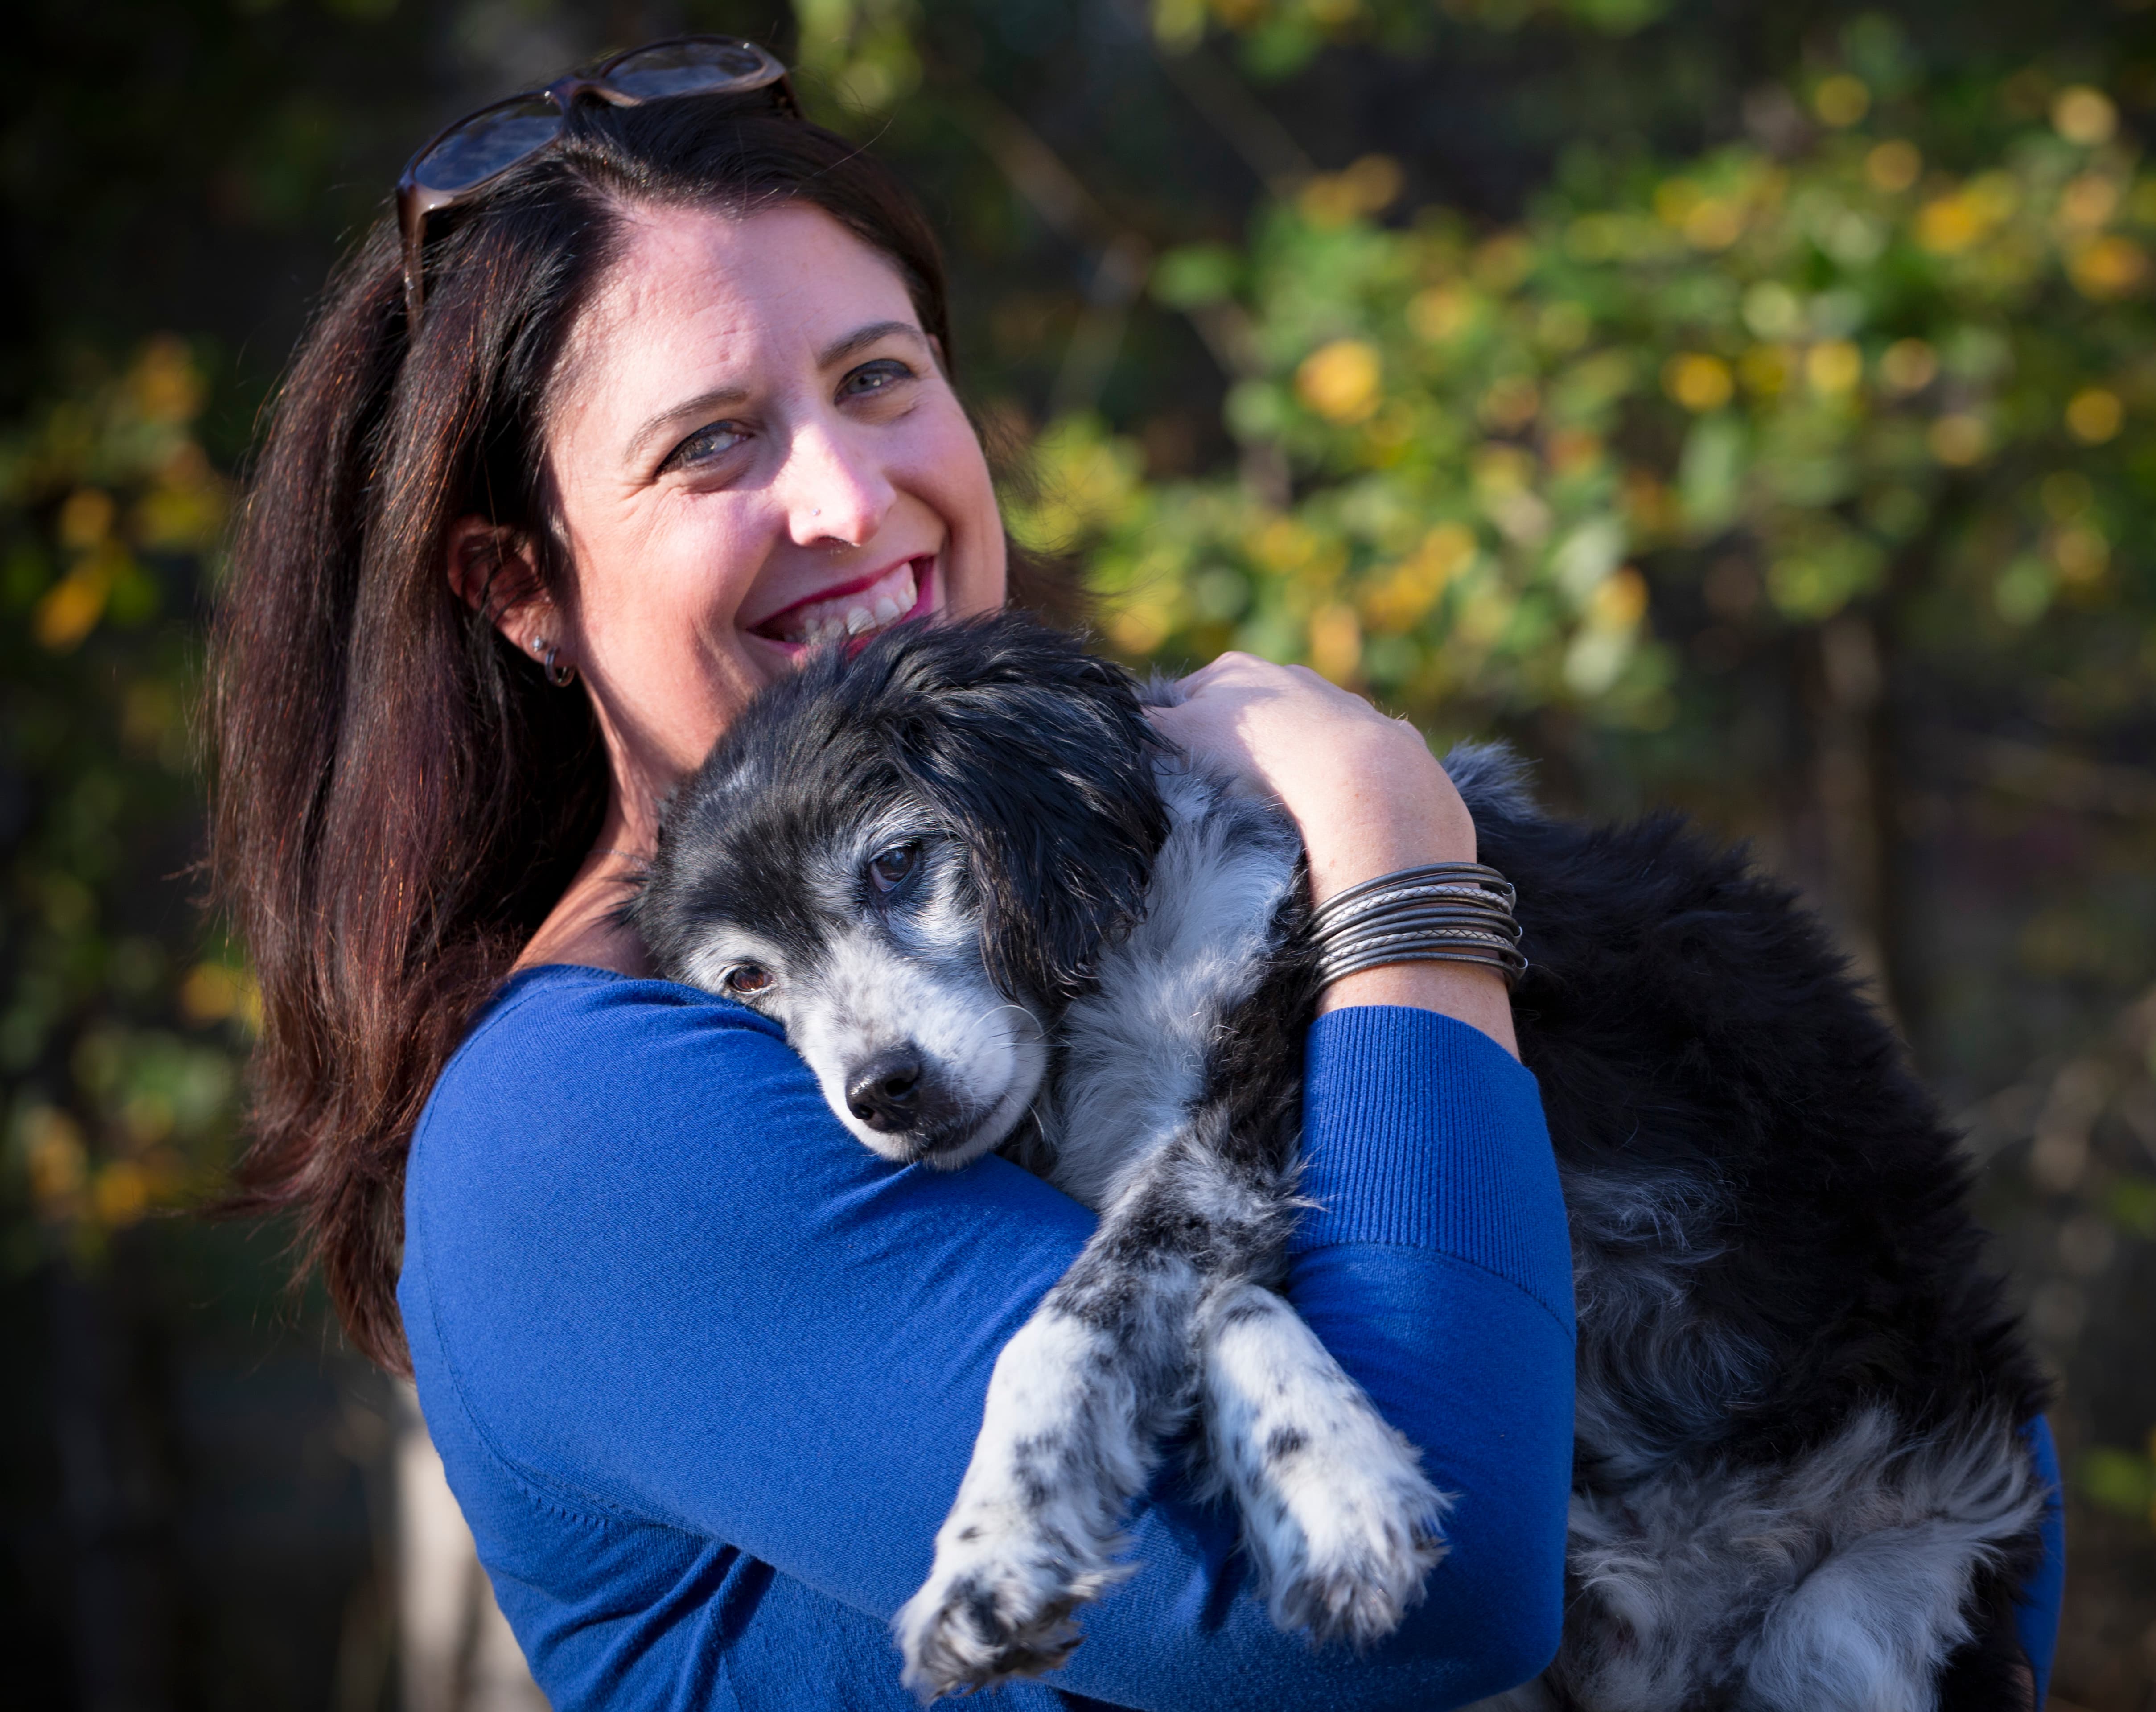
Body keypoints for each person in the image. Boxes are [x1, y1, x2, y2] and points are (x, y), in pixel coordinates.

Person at [210, 39, 1570, 1712]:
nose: (852, 502)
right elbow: (1424, 1605)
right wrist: (1400, 857)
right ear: (518, 586)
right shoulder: (587, 1120)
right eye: (711, 445)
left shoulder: (1077, 888)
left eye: (876, 380)